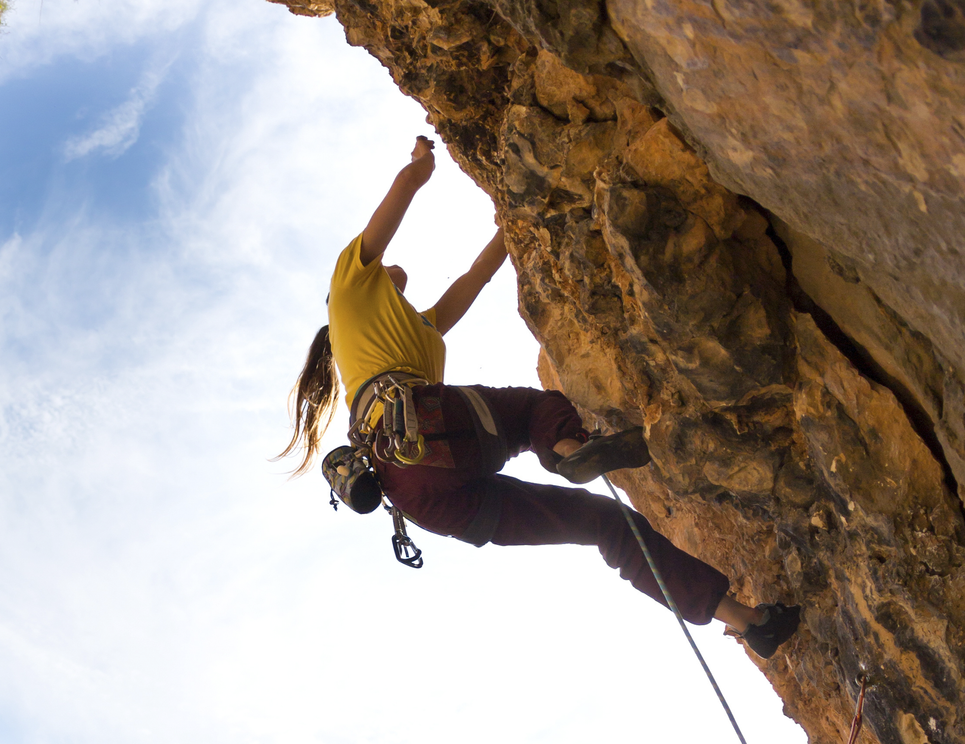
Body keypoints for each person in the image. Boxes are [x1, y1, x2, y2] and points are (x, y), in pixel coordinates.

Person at [281, 135, 800, 658]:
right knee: (535, 411)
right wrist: (423, 162)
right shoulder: (348, 285)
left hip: (422, 499)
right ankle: (570, 452)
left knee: (604, 525)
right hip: (424, 429)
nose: (397, 273)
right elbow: (402, 196)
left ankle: (751, 622)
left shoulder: (420, 327)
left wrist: (510, 226)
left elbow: (474, 277)